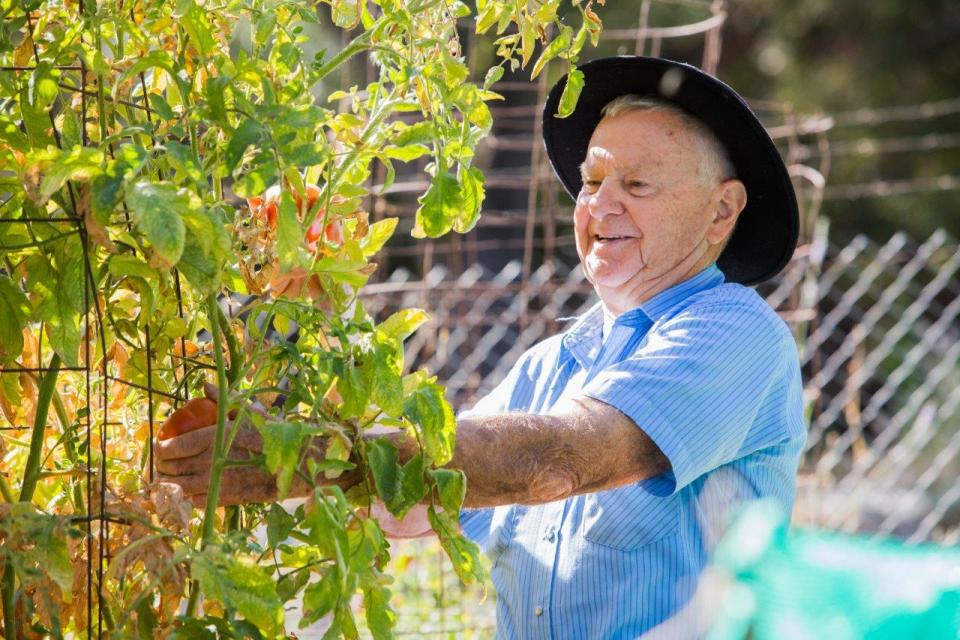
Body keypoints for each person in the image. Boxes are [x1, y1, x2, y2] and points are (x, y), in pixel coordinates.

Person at [157, 56, 806, 638]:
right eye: (591, 182)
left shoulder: (735, 334)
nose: (600, 206)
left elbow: (569, 452)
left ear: (722, 211)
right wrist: (297, 323)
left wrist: (300, 454)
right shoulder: (550, 367)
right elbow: (408, 497)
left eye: (636, 186)